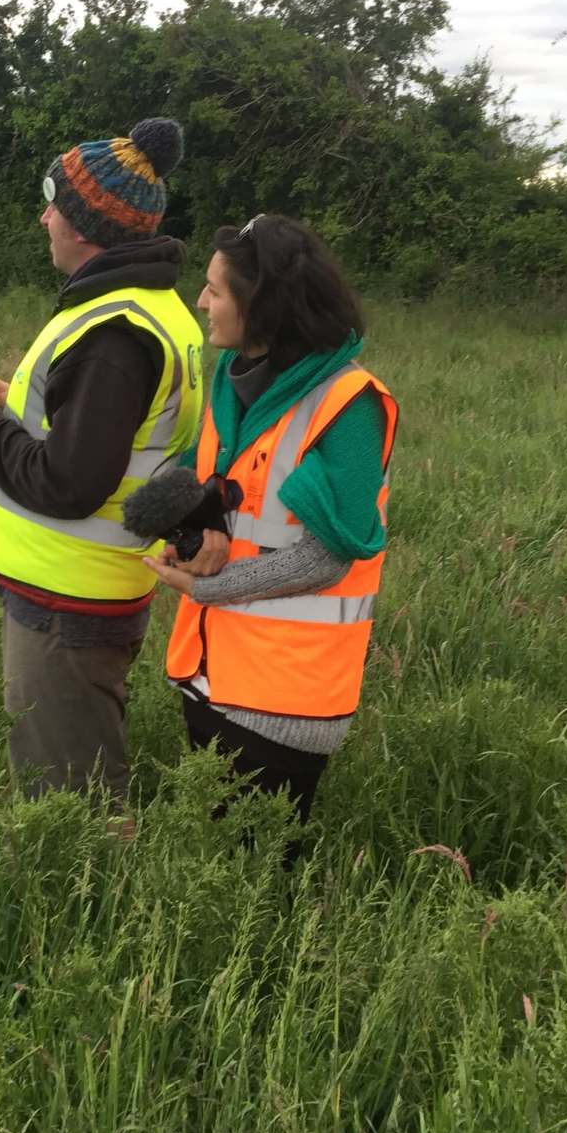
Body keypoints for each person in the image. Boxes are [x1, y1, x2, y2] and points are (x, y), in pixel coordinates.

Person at [0, 118, 204, 807]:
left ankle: (89, 903)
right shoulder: (148, 309)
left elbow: (70, 482)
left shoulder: (113, 332)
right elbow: (102, 439)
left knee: (72, 797)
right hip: (85, 590)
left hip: (70, 597)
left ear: (85, 226)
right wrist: (15, 411)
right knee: (70, 771)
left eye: (53, 203)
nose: (43, 217)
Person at [143, 215, 397, 829]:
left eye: (216, 290)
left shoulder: (348, 405)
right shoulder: (234, 385)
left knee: (258, 880)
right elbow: (228, 494)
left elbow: (327, 556)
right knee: (212, 861)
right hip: (209, 671)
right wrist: (193, 527)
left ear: (263, 306)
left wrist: (206, 586)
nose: (200, 300)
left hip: (287, 700)